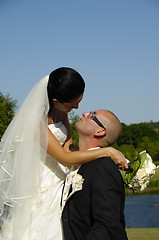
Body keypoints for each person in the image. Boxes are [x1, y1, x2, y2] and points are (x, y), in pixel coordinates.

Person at [0, 67, 127, 240]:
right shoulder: (37, 120)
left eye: (79, 100)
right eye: (72, 104)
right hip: (42, 181)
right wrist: (107, 151)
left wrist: (96, 153)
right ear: (55, 100)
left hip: (61, 179)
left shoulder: (61, 112)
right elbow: (65, 158)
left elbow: (69, 149)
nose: (77, 107)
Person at [62, 110, 128, 240]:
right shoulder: (79, 163)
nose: (85, 113)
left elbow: (107, 226)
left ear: (100, 132)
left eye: (92, 115)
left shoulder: (103, 167)